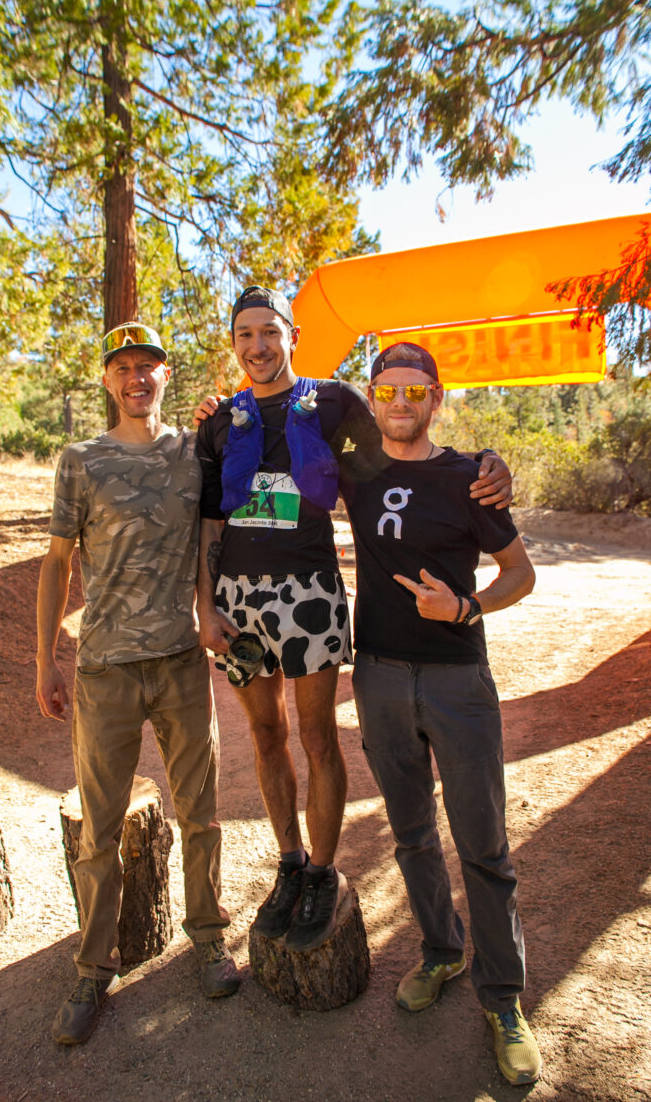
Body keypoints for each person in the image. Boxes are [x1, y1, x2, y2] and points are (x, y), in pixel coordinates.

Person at [195, 286, 512, 954]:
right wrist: (205, 604)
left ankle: (320, 869)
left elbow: (401, 450)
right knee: (263, 733)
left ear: (293, 335)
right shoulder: (221, 421)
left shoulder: (335, 401)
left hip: (309, 593)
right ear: (234, 342)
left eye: (270, 332)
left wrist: (487, 465)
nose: (258, 345)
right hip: (239, 599)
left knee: (315, 733)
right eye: (245, 334)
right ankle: (288, 861)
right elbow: (207, 521)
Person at [340, 341, 542, 1086]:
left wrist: (466, 607)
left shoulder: (469, 478)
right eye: (386, 392)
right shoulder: (356, 470)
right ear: (372, 398)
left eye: (413, 391)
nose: (399, 404)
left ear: (436, 395)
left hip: (458, 680)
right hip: (379, 677)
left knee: (483, 844)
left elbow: (520, 572)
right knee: (413, 835)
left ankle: (504, 999)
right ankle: (442, 952)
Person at [36, 322, 239, 1048]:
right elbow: (57, 564)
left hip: (181, 663)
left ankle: (210, 940)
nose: (136, 377)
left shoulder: (192, 454)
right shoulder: (81, 461)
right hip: (105, 671)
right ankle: (93, 968)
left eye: (147, 365)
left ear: (164, 373)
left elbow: (219, 530)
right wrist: (44, 661)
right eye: (122, 367)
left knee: (202, 814)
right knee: (99, 832)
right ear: (107, 381)